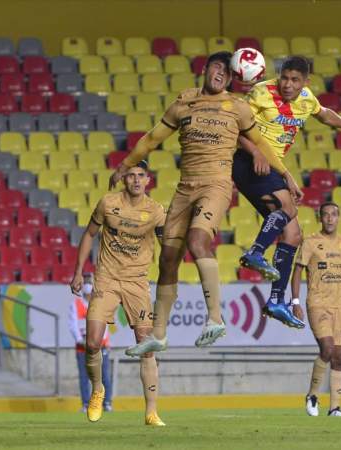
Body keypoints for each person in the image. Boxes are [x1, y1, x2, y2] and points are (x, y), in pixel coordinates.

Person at [116, 51, 302, 357]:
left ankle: (215, 318)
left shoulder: (238, 108)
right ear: (205, 69)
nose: (221, 75)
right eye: (218, 67)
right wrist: (125, 165)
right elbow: (151, 139)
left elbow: (262, 144)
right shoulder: (184, 102)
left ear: (232, 78)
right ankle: (158, 335)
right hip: (184, 188)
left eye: (228, 73)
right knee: (168, 260)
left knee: (197, 240)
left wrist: (286, 176)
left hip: (215, 185)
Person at [234, 56, 341, 329]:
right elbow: (234, 128)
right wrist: (257, 151)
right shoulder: (261, 92)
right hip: (248, 160)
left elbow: (324, 114)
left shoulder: (306, 98)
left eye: (295, 80)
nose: (287, 84)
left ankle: (275, 300)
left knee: (294, 235)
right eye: (284, 77)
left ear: (305, 82)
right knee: (288, 208)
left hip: (273, 166)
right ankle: (256, 253)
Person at [70, 160, 167, 426]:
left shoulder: (156, 211)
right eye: (131, 175)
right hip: (107, 278)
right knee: (91, 342)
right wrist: (79, 271)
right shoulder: (107, 204)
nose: (136, 180)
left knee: (146, 347)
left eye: (141, 176)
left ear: (148, 180)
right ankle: (98, 390)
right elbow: (89, 234)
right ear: (124, 179)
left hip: (137, 282)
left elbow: (168, 246)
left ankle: (151, 411)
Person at [290, 202, 341, 417]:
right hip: (317, 304)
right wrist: (295, 301)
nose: (330, 218)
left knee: (339, 357)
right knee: (327, 349)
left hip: (340, 307)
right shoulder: (311, 242)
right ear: (320, 218)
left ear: (339, 217)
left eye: (334, 215)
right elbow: (297, 271)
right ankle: (312, 395)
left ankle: (335, 408)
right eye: (325, 215)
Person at [68, 273, 113, 413]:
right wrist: (80, 341)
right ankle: (86, 404)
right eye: (85, 282)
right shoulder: (75, 305)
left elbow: (104, 326)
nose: (88, 285)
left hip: (100, 346)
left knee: (104, 375)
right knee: (84, 376)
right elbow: (72, 325)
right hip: (82, 347)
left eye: (90, 282)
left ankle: (106, 403)